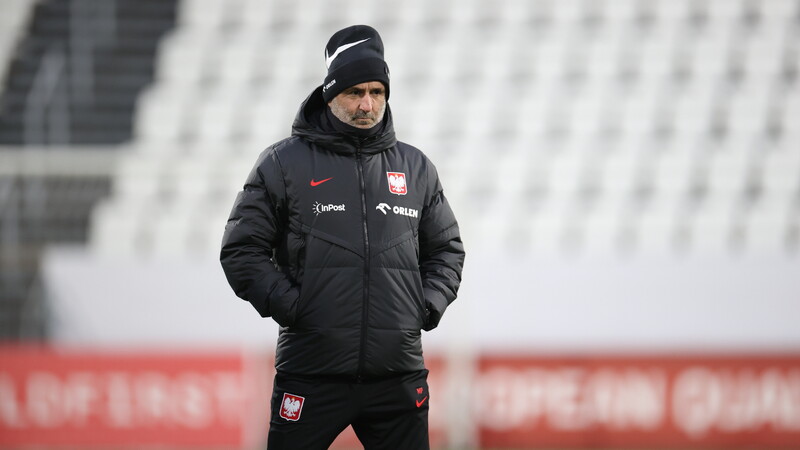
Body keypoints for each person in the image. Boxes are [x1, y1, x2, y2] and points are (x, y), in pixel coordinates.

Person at [220, 24, 464, 449]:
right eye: (355, 92)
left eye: (377, 92)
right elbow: (241, 250)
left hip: (397, 375)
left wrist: (422, 307)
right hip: (311, 372)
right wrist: (296, 307)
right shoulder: (283, 163)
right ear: (330, 94)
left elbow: (446, 250)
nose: (367, 104)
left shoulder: (416, 168)